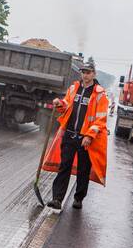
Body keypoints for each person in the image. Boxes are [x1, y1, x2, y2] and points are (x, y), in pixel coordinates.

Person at [41, 61, 109, 211]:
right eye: (83, 72)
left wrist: (90, 136)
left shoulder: (99, 94)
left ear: (94, 74)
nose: (85, 75)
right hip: (70, 135)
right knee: (64, 166)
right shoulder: (74, 88)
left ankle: (79, 198)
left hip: (85, 139)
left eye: (88, 72)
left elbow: (101, 119)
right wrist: (59, 103)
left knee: (83, 170)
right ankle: (57, 199)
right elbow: (66, 105)